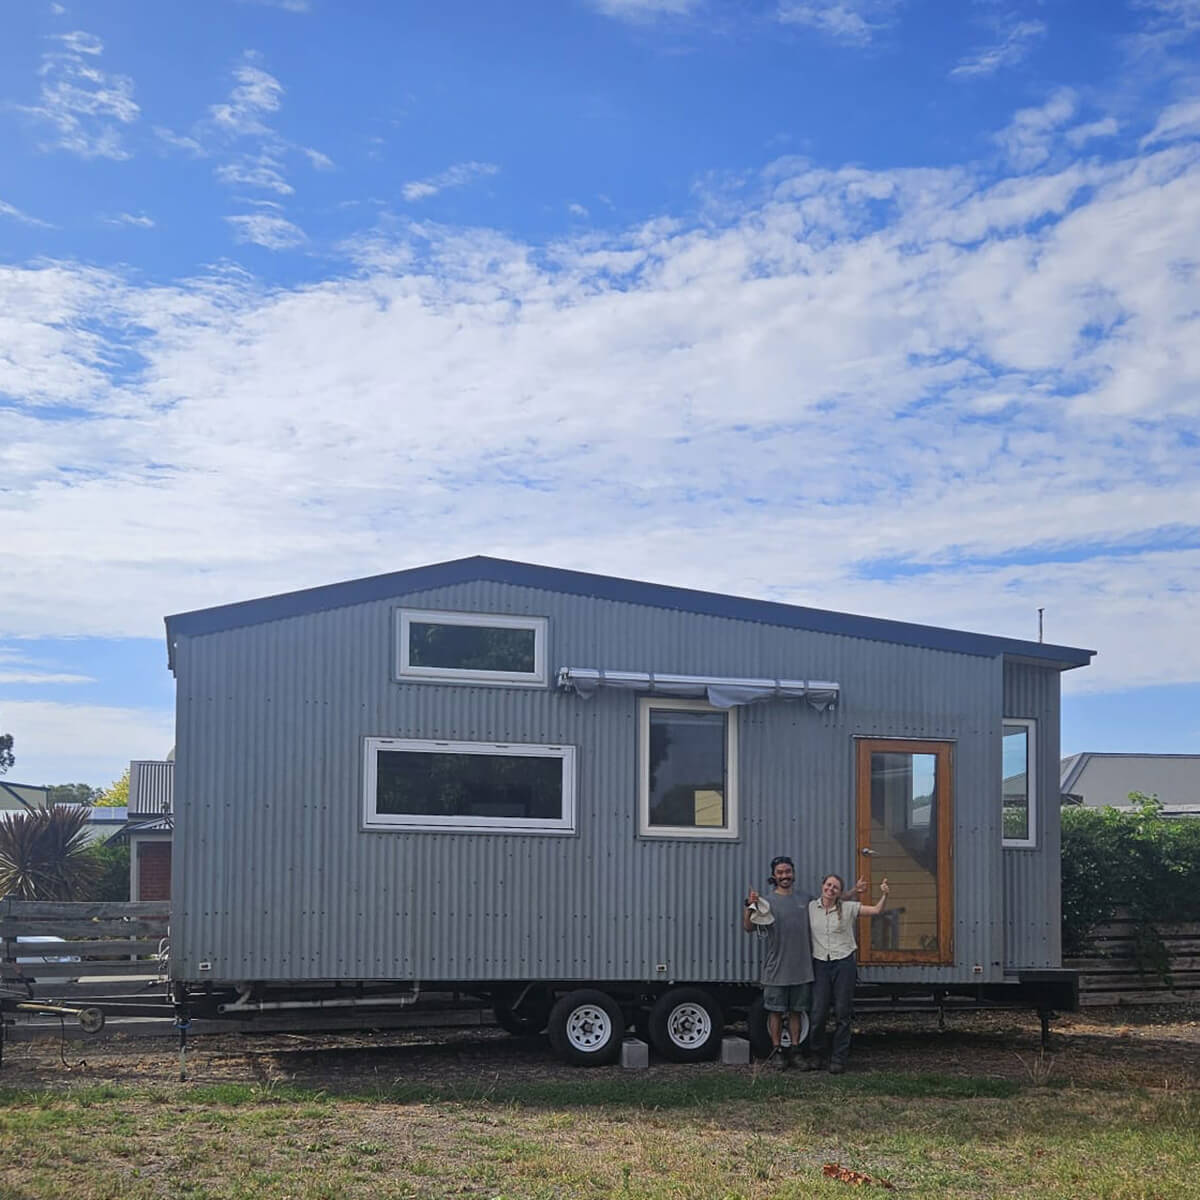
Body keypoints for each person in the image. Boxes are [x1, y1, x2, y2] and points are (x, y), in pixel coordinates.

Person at [743, 856, 864, 1071]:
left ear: (794, 873)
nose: (784, 876)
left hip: (803, 969)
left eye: (788, 871)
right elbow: (749, 927)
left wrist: (853, 891)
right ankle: (778, 1051)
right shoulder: (767, 902)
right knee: (775, 1011)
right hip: (776, 968)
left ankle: (796, 1052)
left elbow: (832, 899)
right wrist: (750, 905)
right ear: (774, 876)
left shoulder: (806, 900)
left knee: (797, 1012)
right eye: (780, 872)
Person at [805, 872, 890, 1074]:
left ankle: (838, 1059)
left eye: (835, 887)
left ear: (839, 892)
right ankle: (816, 1055)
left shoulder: (848, 908)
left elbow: (877, 910)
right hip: (821, 964)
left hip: (843, 964)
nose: (830, 889)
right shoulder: (811, 908)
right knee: (818, 1013)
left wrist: (885, 895)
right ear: (822, 885)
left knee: (843, 1013)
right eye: (828, 885)